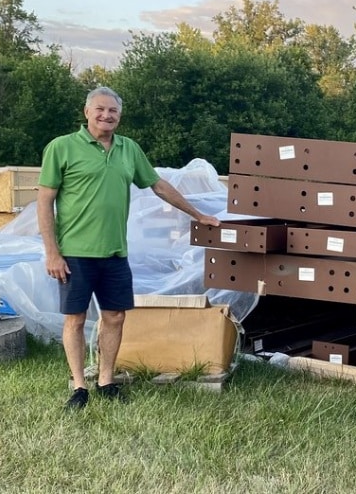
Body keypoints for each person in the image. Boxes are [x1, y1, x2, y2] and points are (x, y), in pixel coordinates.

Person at [37, 86, 221, 410]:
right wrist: (52, 252)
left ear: (119, 116)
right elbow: (44, 201)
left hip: (115, 254)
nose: (107, 116)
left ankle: (106, 381)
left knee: (115, 317)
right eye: (101, 110)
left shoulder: (129, 149)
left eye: (113, 112)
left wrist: (198, 214)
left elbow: (158, 185)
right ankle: (80, 387)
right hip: (75, 254)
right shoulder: (62, 148)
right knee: (75, 320)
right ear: (87, 112)